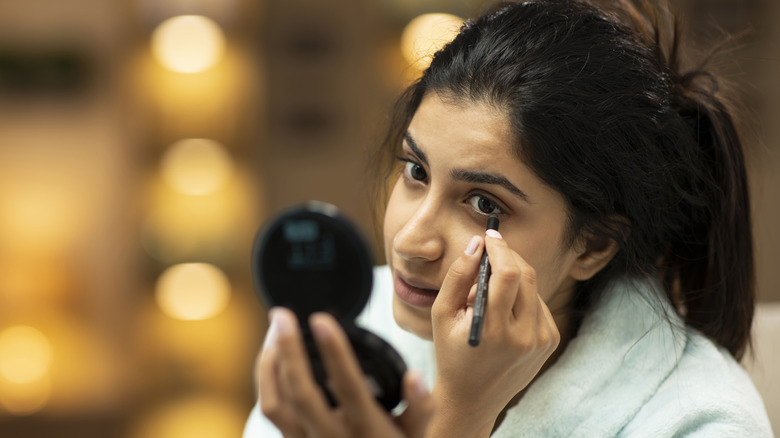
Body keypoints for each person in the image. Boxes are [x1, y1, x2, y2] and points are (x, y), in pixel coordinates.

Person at [244, 0, 774, 436]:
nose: (411, 241)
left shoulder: (702, 422)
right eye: (416, 171)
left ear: (593, 246)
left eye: (484, 205)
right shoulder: (351, 335)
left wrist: (460, 418)